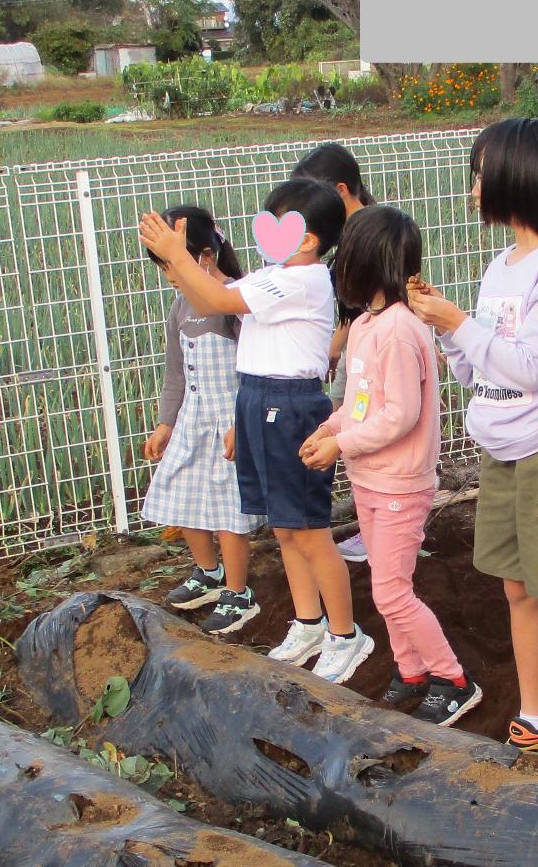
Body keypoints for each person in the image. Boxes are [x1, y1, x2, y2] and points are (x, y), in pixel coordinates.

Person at [405, 118, 538, 769]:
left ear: (515, 178)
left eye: (480, 172)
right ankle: (535, 710)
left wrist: (458, 322)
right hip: (502, 451)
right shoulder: (502, 266)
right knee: (518, 588)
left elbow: (529, 367)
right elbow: (480, 370)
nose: (472, 186)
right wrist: (446, 327)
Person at [139, 178, 374, 684]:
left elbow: (217, 300)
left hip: (290, 405)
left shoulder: (302, 280)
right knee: (285, 527)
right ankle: (309, 623)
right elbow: (214, 298)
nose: (264, 232)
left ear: (306, 239)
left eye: (277, 223)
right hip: (257, 398)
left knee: (310, 531)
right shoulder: (275, 275)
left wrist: (179, 257)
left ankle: (345, 634)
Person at [300, 206, 481, 725]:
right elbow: (361, 403)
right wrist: (331, 429)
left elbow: (400, 415)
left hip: (401, 481)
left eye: (344, 259)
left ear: (365, 264)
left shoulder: (401, 330)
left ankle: (453, 679)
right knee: (387, 584)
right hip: (370, 479)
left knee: (391, 590)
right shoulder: (364, 326)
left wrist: (342, 445)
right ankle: (411, 670)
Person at [140, 206, 263, 636]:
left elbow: (253, 366)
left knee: (228, 508)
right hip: (194, 418)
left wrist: (240, 421)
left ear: (205, 256)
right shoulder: (180, 308)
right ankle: (207, 571)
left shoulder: (233, 301)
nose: (171, 276)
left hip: (228, 420)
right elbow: (175, 372)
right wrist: (165, 423)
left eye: (174, 264)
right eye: (164, 267)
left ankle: (237, 590)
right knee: (184, 491)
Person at [294, 141, 379, 567]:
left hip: (376, 349)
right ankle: (373, 524)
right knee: (351, 421)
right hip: (359, 344)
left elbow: (382, 302)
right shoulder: (347, 234)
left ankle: (382, 529)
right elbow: (353, 310)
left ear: (341, 189)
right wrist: (334, 348)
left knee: (363, 428)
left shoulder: (370, 230)